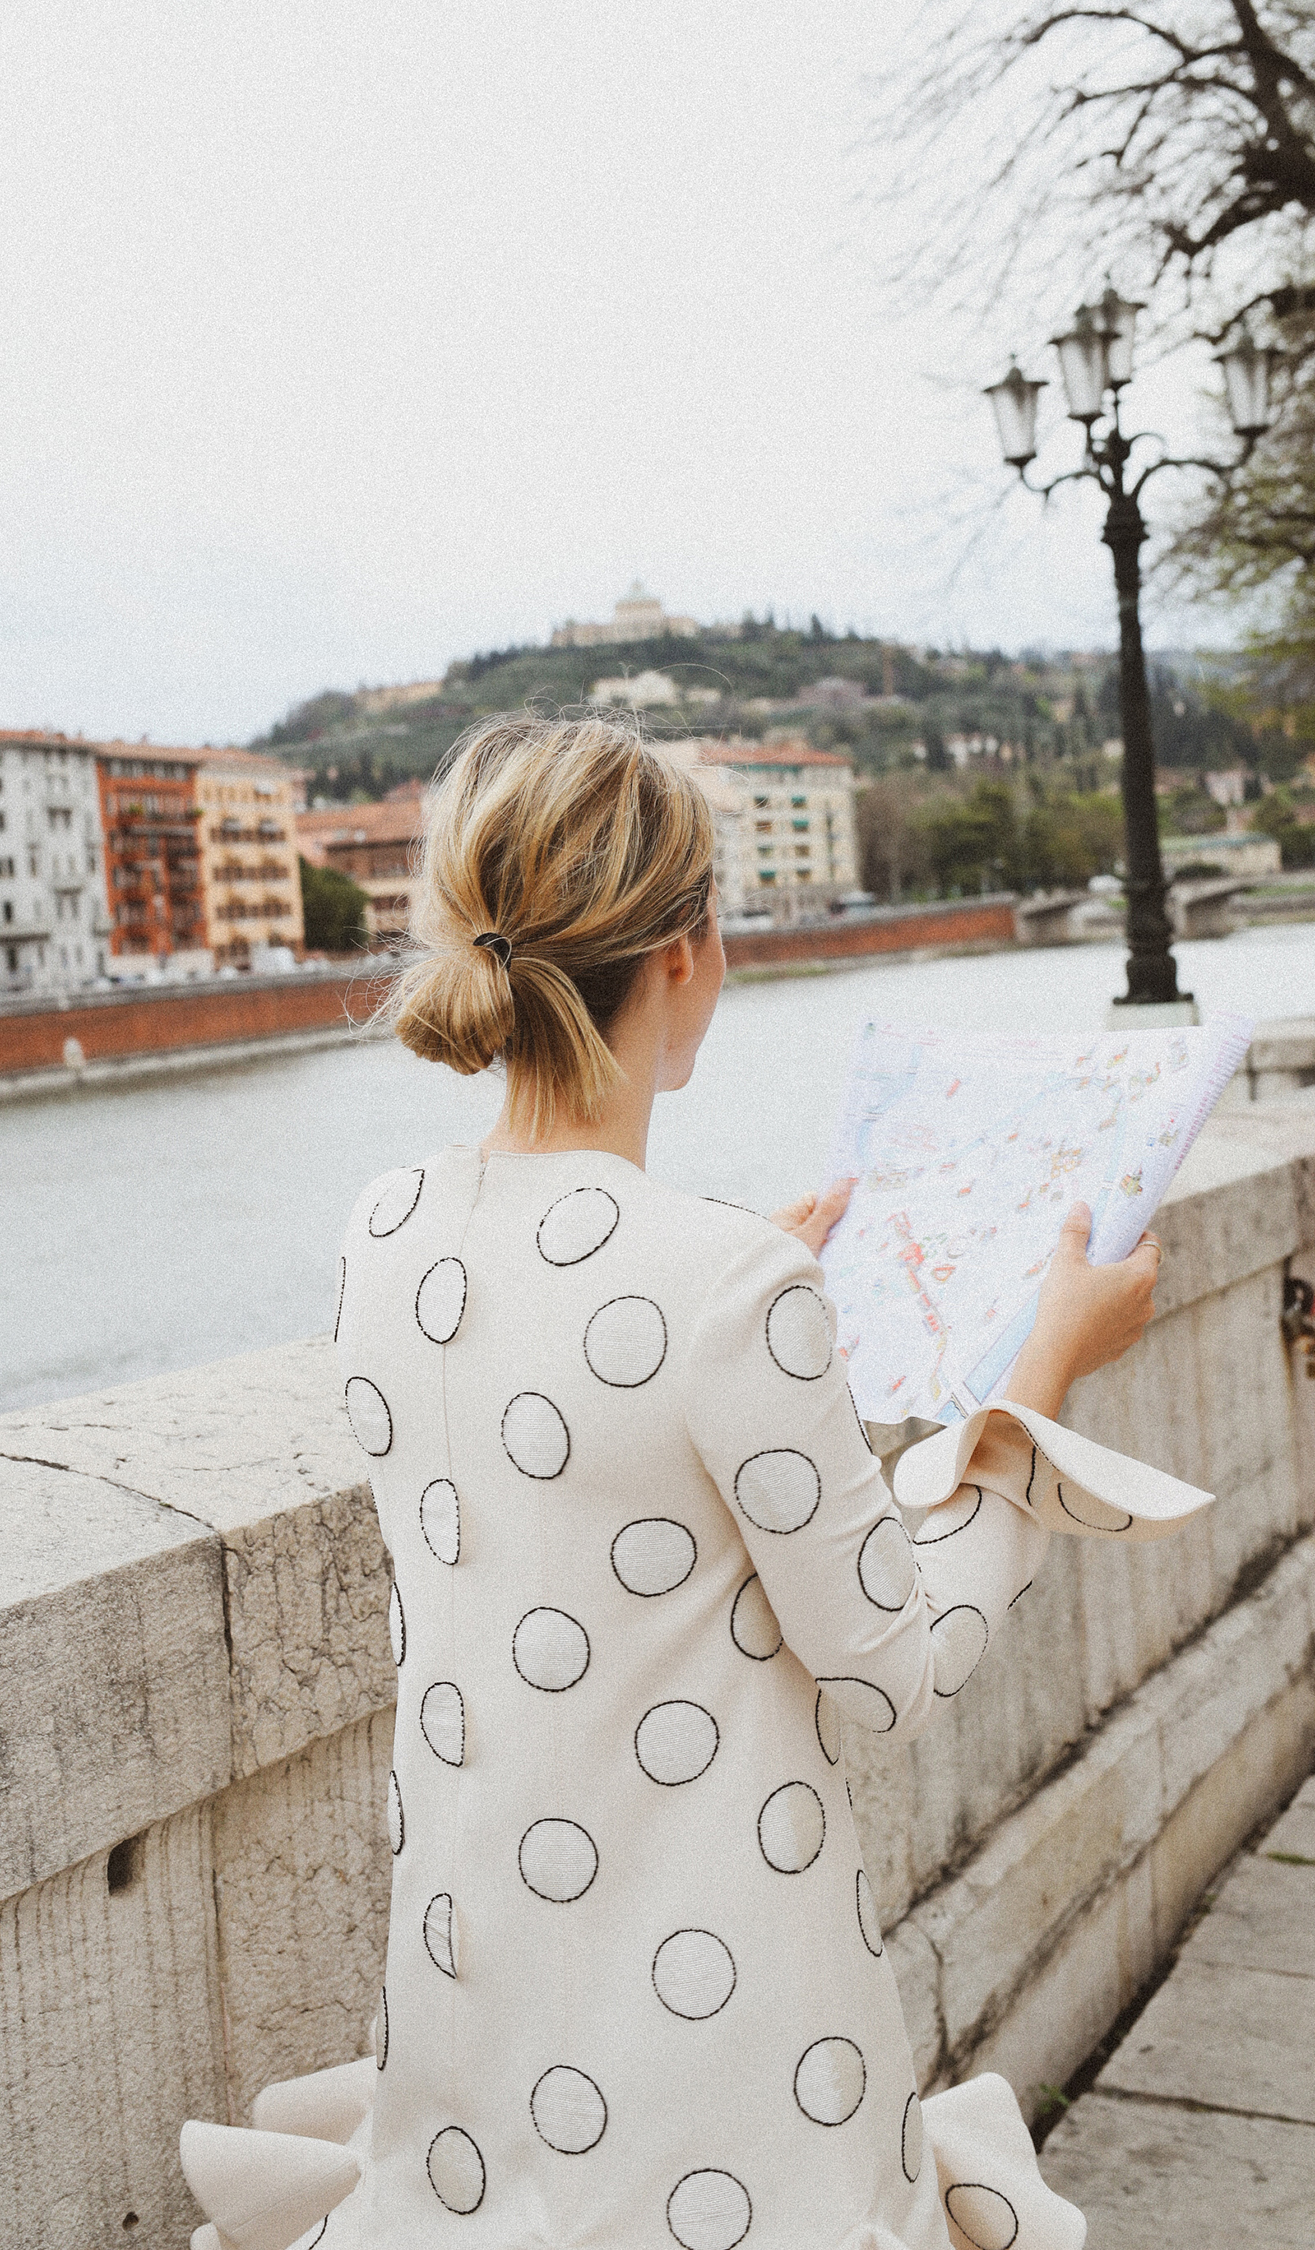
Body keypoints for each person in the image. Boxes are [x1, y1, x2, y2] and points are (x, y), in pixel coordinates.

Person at [181, 713, 1211, 2250]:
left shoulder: (384, 1225)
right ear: (689, 946)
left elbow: (573, 1415)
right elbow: (896, 1669)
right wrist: (1037, 1381)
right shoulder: (725, 1288)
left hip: (486, 2027)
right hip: (728, 2070)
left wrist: (752, 1280)